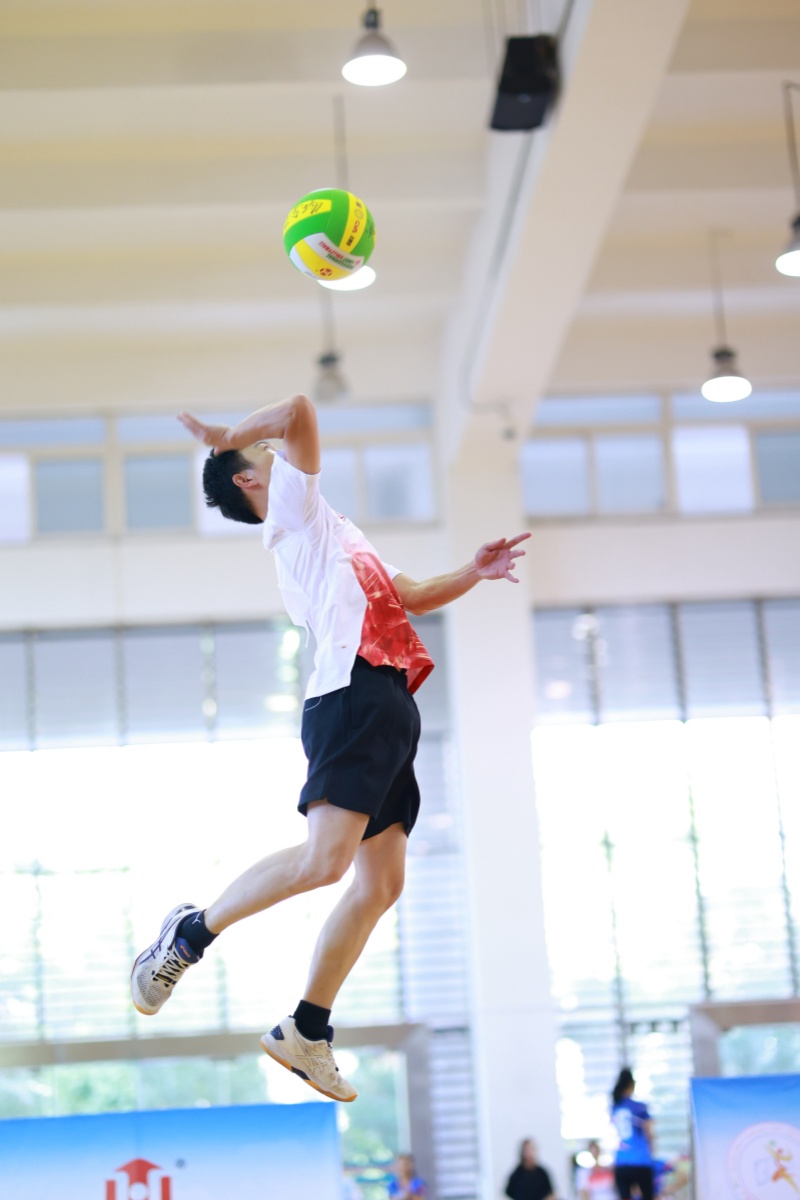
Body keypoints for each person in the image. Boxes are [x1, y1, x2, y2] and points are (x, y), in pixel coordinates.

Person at [129, 393, 530, 1104]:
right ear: (252, 480)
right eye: (264, 456)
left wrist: (474, 571)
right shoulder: (293, 512)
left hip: (390, 700)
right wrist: (230, 434)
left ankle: (307, 1029)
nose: (278, 453)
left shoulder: (335, 531)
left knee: (380, 884)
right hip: (353, 697)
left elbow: (411, 594)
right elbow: (299, 410)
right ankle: (189, 934)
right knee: (326, 863)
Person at [610, 1068, 655, 1200]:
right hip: (640, 1160)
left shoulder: (615, 1107)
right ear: (631, 1084)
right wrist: (651, 1151)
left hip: (621, 1162)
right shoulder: (639, 1107)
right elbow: (649, 1133)